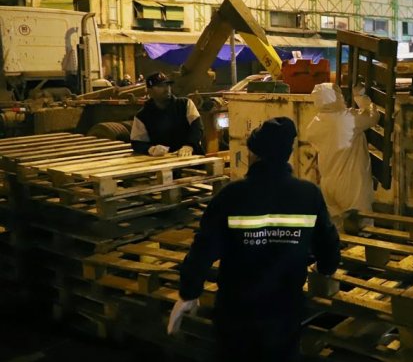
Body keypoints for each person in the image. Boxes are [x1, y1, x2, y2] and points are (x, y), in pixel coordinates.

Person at [167, 117, 341, 361]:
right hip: (285, 312)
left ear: (253, 154)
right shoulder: (308, 194)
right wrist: (326, 267)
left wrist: (188, 293)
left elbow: (203, 249)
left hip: (236, 312)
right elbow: (328, 245)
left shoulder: (231, 195)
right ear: (288, 154)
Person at [306, 82, 380, 220]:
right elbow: (373, 116)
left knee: (337, 228)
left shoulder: (314, 125)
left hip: (328, 184)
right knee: (361, 225)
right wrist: (360, 97)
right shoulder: (348, 120)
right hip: (350, 184)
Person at [130, 72, 203, 156]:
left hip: (191, 157)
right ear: (149, 91)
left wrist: (190, 145)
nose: (166, 89)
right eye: (160, 86)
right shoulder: (142, 116)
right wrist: (151, 149)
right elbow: (137, 142)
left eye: (168, 85)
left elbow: (197, 127)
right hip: (162, 161)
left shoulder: (185, 104)